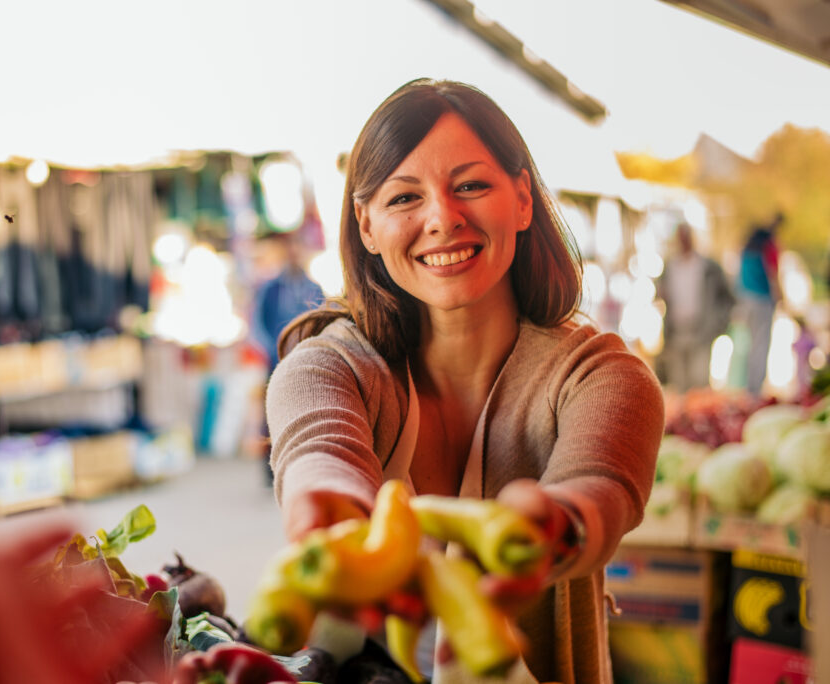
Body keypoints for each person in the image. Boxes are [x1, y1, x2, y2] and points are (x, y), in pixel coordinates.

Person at [265, 79, 664, 683]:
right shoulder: (326, 366)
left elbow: (600, 490)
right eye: (405, 197)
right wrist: (327, 506)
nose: (442, 219)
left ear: (523, 199)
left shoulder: (602, 375)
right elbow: (320, 451)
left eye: (471, 186)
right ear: (366, 225)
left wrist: (554, 525)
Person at [251, 230, 324, 484]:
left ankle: (300, 463)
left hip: (304, 359)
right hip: (275, 359)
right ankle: (270, 466)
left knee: (302, 409)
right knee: (271, 412)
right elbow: (257, 324)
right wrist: (271, 349)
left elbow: (322, 321)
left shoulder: (313, 288)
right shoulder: (270, 289)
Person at [656, 222, 735, 393]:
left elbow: (727, 298)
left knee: (699, 382)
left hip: (701, 331)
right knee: (679, 383)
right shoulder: (670, 267)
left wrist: (719, 323)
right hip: (676, 331)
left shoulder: (708, 267)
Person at [737, 213, 784, 396]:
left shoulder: (747, 248)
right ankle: (754, 389)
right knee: (761, 344)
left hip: (745, 300)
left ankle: (747, 386)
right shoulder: (768, 247)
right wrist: (781, 299)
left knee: (749, 344)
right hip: (762, 301)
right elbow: (773, 275)